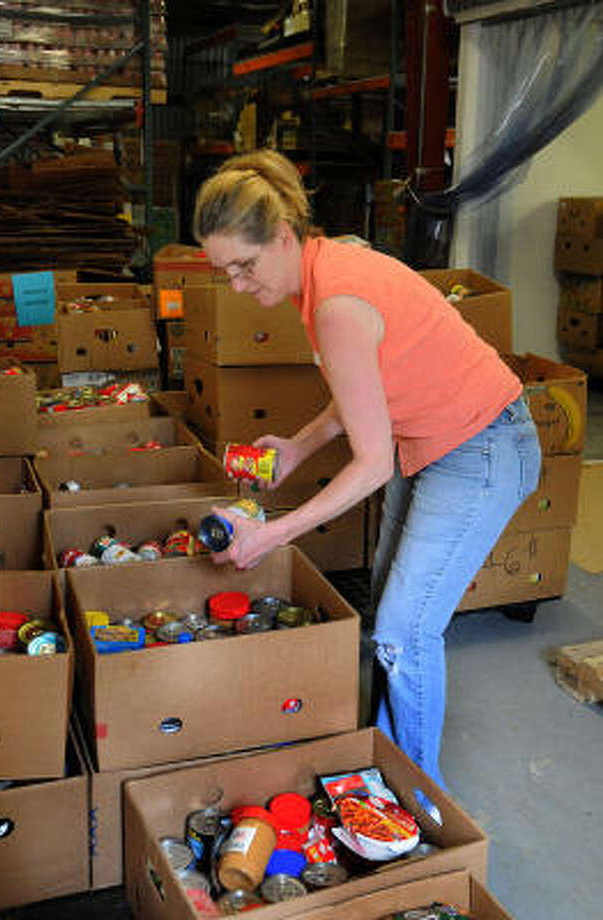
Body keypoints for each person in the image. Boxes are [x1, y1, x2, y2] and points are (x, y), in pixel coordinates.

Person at [192, 148, 541, 791]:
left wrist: (271, 534)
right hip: (435, 441)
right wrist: (298, 446)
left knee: (406, 632)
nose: (238, 286)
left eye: (244, 266)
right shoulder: (328, 266)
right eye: (226, 272)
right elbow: (364, 390)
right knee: (389, 611)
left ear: (282, 235)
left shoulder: (336, 306)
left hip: (483, 447)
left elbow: (372, 464)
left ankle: (415, 800)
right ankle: (386, 761)